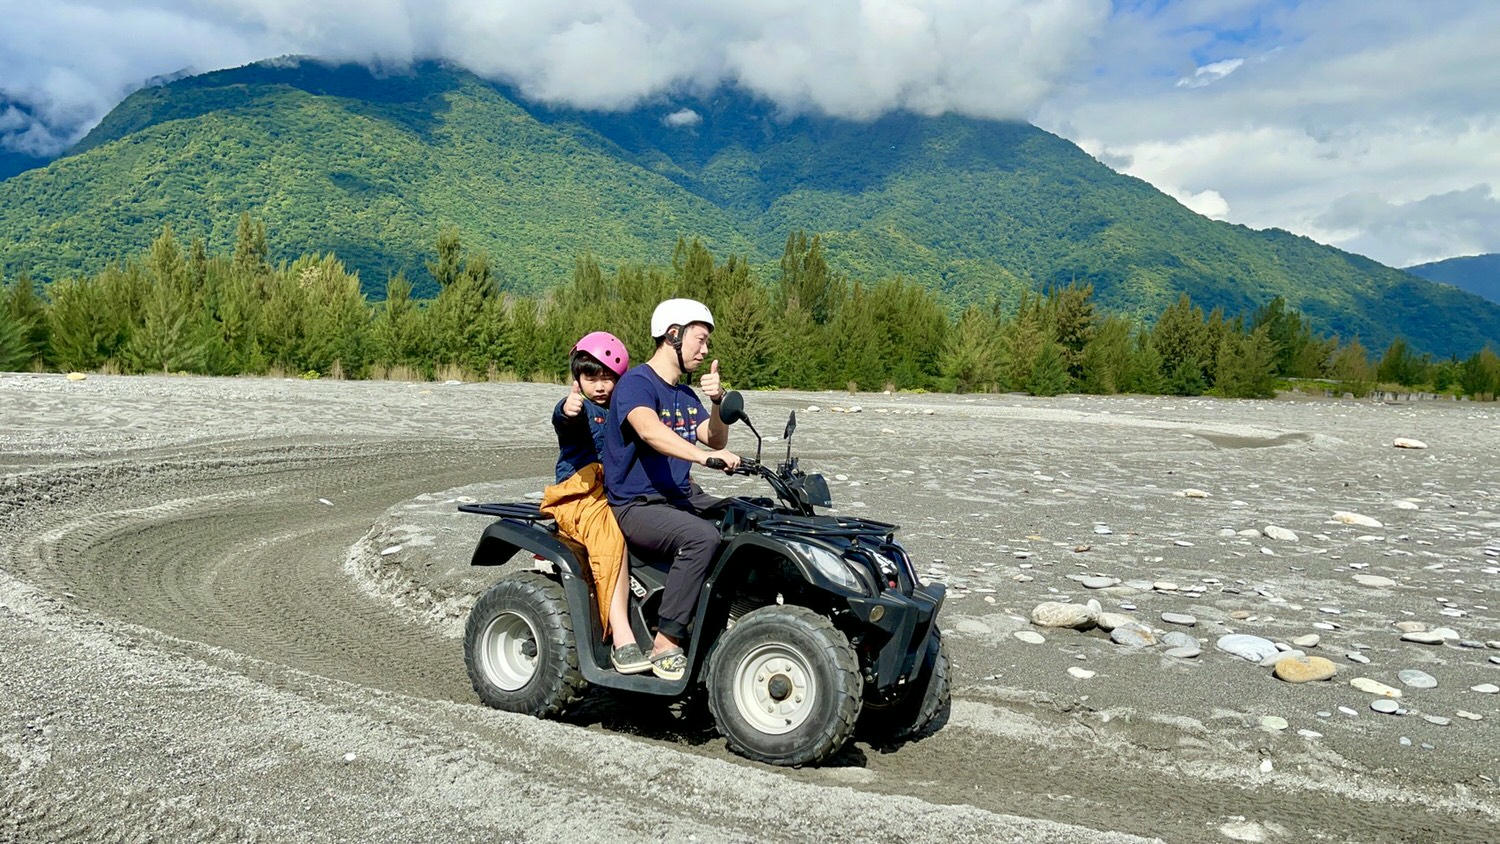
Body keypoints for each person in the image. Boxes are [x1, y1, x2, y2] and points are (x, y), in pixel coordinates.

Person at [603, 298, 741, 681]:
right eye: (700, 339)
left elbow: (714, 438)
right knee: (700, 537)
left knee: (745, 517)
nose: (705, 349)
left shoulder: (684, 395)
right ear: (673, 335)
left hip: (678, 496)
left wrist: (717, 402)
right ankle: (666, 640)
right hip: (635, 505)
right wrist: (702, 458)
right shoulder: (636, 384)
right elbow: (650, 431)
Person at [538, 331, 652, 674]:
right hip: (579, 494)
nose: (600, 386)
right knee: (609, 536)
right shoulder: (581, 407)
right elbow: (564, 421)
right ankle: (622, 636)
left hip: (617, 489)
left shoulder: (626, 407)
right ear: (578, 379)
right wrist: (567, 408)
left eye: (608, 378)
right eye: (591, 378)